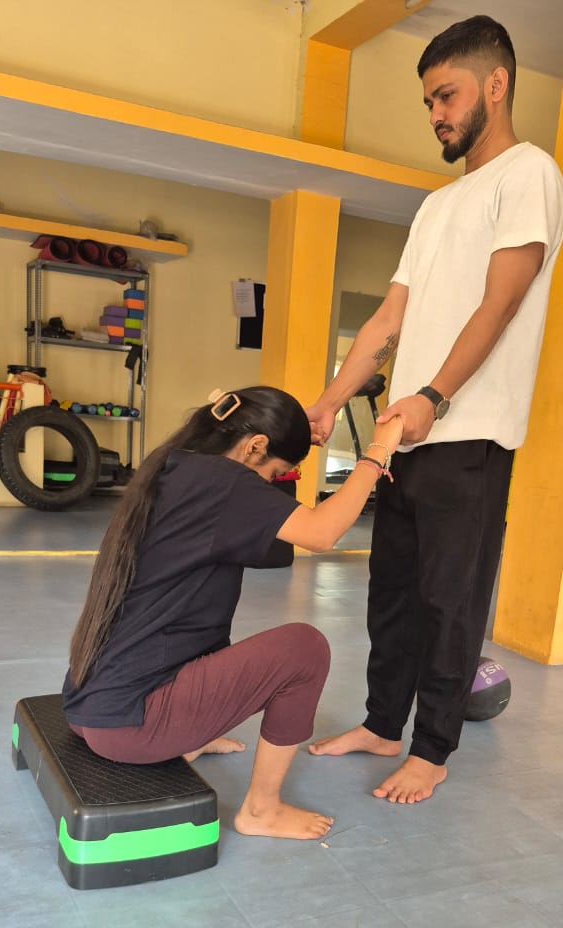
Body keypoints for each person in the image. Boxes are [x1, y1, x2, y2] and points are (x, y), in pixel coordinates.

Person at [308, 14, 563, 804]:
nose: (435, 116)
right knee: (391, 595)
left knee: (450, 602)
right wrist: (328, 399)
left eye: (444, 95)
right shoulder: (434, 205)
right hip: (404, 440)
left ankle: (431, 748)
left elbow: (500, 300)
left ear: (496, 84)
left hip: (468, 438)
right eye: (427, 102)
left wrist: (430, 397)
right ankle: (384, 723)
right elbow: (388, 319)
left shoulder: (530, 173)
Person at [63, 385, 402, 840]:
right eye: (276, 471)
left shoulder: (177, 464)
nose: (270, 482)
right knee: (304, 648)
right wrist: (378, 452)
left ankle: (192, 734)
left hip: (91, 708)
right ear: (254, 446)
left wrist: (290, 434)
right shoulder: (223, 483)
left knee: (205, 626)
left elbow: (276, 551)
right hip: (132, 725)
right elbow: (322, 533)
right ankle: (261, 810)